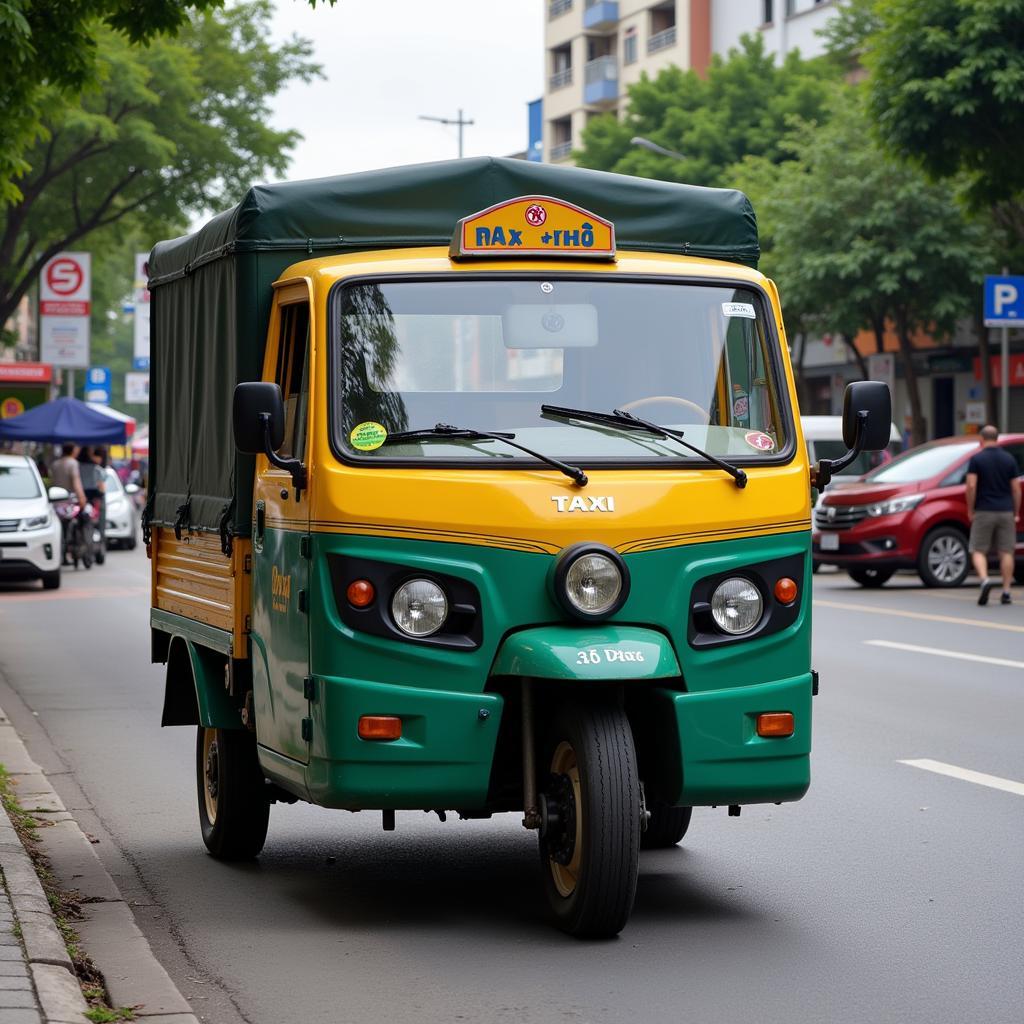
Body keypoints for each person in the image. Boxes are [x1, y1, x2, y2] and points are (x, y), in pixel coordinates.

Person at [966, 425, 1022, 606]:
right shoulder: (1009, 459)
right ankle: (1006, 591)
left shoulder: (977, 459)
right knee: (1006, 551)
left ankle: (985, 580)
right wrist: (1016, 512)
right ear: (997, 439)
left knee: (978, 549)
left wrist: (970, 508)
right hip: (1006, 511)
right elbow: (1016, 488)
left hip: (984, 510)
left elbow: (971, 486)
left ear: (981, 439)